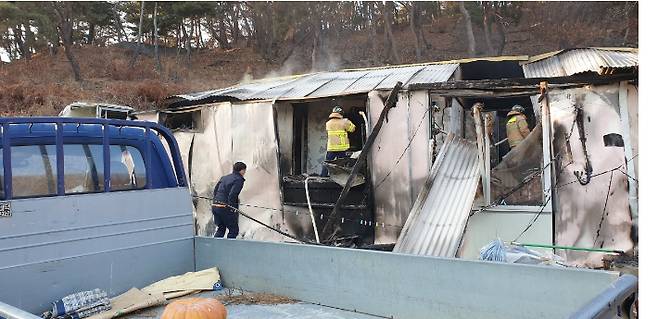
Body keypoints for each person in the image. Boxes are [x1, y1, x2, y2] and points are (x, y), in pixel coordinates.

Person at [212, 162, 246, 238]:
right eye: (244, 171)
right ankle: (229, 248)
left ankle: (214, 247)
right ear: (242, 170)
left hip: (215, 206)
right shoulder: (239, 180)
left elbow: (215, 190)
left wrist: (216, 201)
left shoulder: (224, 178)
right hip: (224, 207)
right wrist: (232, 208)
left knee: (221, 228)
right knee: (233, 230)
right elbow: (233, 194)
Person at [322, 106, 356, 177]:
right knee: (342, 164)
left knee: (327, 163)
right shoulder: (344, 121)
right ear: (341, 113)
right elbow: (353, 129)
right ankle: (340, 177)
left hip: (331, 148)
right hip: (342, 148)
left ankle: (323, 176)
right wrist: (348, 121)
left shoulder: (328, 123)